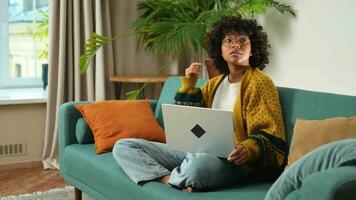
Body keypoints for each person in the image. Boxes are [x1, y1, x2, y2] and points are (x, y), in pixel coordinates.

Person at [113, 15, 287, 192]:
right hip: (195, 151)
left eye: (243, 40)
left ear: (252, 49)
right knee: (124, 146)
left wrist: (248, 148)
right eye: (229, 40)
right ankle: (169, 179)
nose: (236, 45)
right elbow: (187, 122)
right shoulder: (214, 83)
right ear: (220, 50)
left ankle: (186, 175)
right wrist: (189, 85)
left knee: (196, 168)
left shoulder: (260, 83)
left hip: (232, 161)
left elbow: (271, 133)